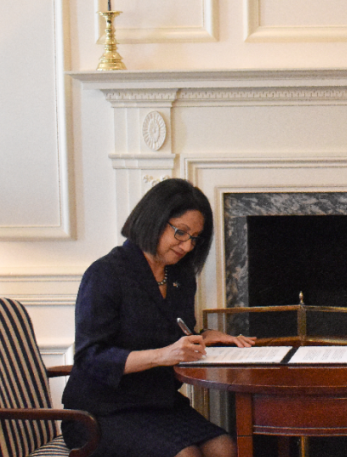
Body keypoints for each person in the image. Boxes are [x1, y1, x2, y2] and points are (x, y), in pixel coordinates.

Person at [62, 178, 257, 457]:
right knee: (185, 455)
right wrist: (164, 355)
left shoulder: (180, 276)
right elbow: (90, 357)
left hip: (159, 404)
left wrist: (204, 337)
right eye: (181, 232)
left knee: (224, 448)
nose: (188, 246)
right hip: (100, 411)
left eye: (195, 238)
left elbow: (164, 330)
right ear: (154, 218)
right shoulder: (106, 273)